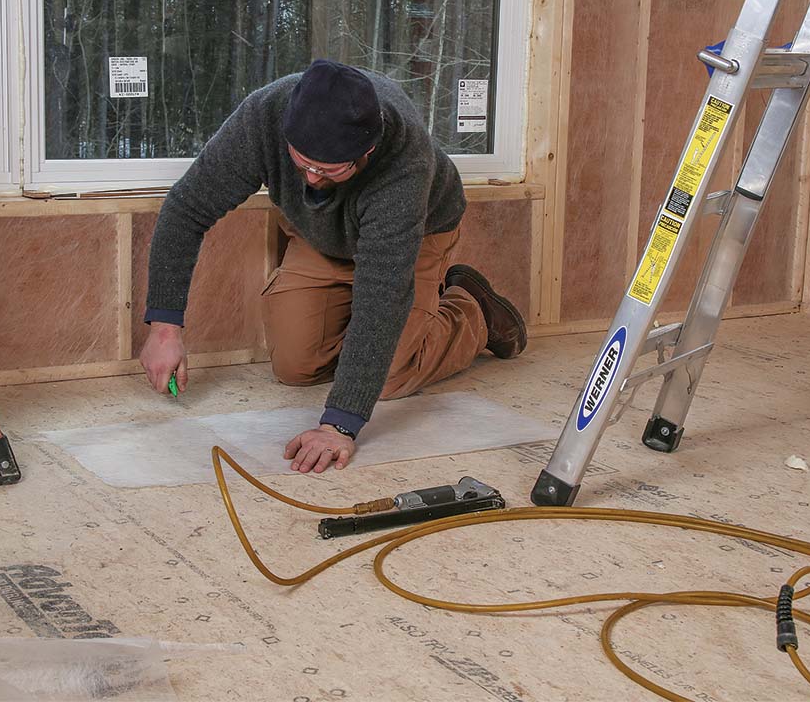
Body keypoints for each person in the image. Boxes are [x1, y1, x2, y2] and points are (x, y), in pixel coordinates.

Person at [140, 59, 527, 474]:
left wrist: (340, 422)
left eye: (328, 170)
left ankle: (472, 310)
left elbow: (382, 294)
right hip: (320, 233)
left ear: (368, 151)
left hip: (418, 232)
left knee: (391, 378)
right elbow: (186, 209)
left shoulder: (404, 160)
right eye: (301, 162)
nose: (310, 179)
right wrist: (164, 328)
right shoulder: (263, 115)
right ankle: (381, 337)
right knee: (295, 367)